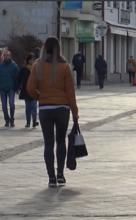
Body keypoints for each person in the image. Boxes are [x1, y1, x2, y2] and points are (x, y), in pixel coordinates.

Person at [27, 36, 79, 187]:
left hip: (45, 108)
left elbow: (30, 88)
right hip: (63, 108)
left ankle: (51, 177)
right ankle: (60, 174)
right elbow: (70, 92)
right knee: (61, 141)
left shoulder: (38, 66)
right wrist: (74, 111)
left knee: (48, 143)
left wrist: (41, 97)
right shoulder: (64, 66)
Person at [0, 50, 19, 127]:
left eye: (8, 55)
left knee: (11, 104)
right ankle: (7, 120)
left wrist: (17, 88)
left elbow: (18, 77)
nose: (6, 57)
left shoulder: (14, 66)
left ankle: (12, 119)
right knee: (4, 105)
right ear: (3, 56)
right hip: (2, 88)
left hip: (11, 87)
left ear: (10, 56)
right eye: (5, 55)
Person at [15, 53, 39, 128]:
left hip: (35, 89)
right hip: (26, 90)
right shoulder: (24, 69)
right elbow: (19, 78)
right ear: (27, 60)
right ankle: (28, 122)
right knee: (28, 107)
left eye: (33, 60)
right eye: (30, 60)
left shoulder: (36, 68)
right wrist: (17, 88)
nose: (32, 61)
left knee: (33, 106)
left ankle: (34, 121)